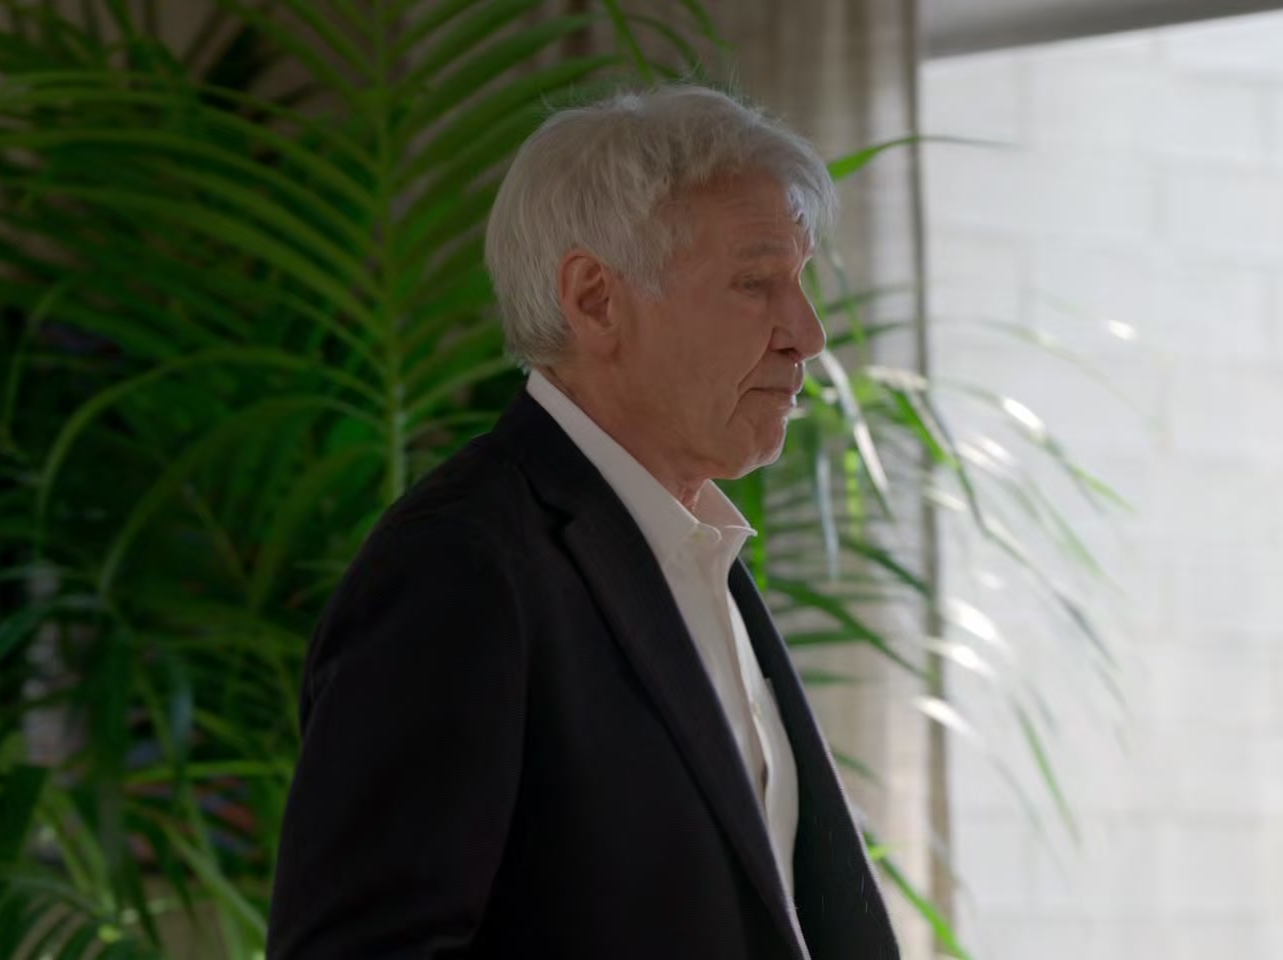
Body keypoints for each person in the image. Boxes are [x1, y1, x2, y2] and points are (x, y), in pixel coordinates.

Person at [267, 85, 899, 959]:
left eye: (800, 282)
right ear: (596, 299)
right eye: (756, 283)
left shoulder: (695, 550)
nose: (808, 332)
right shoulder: (460, 564)